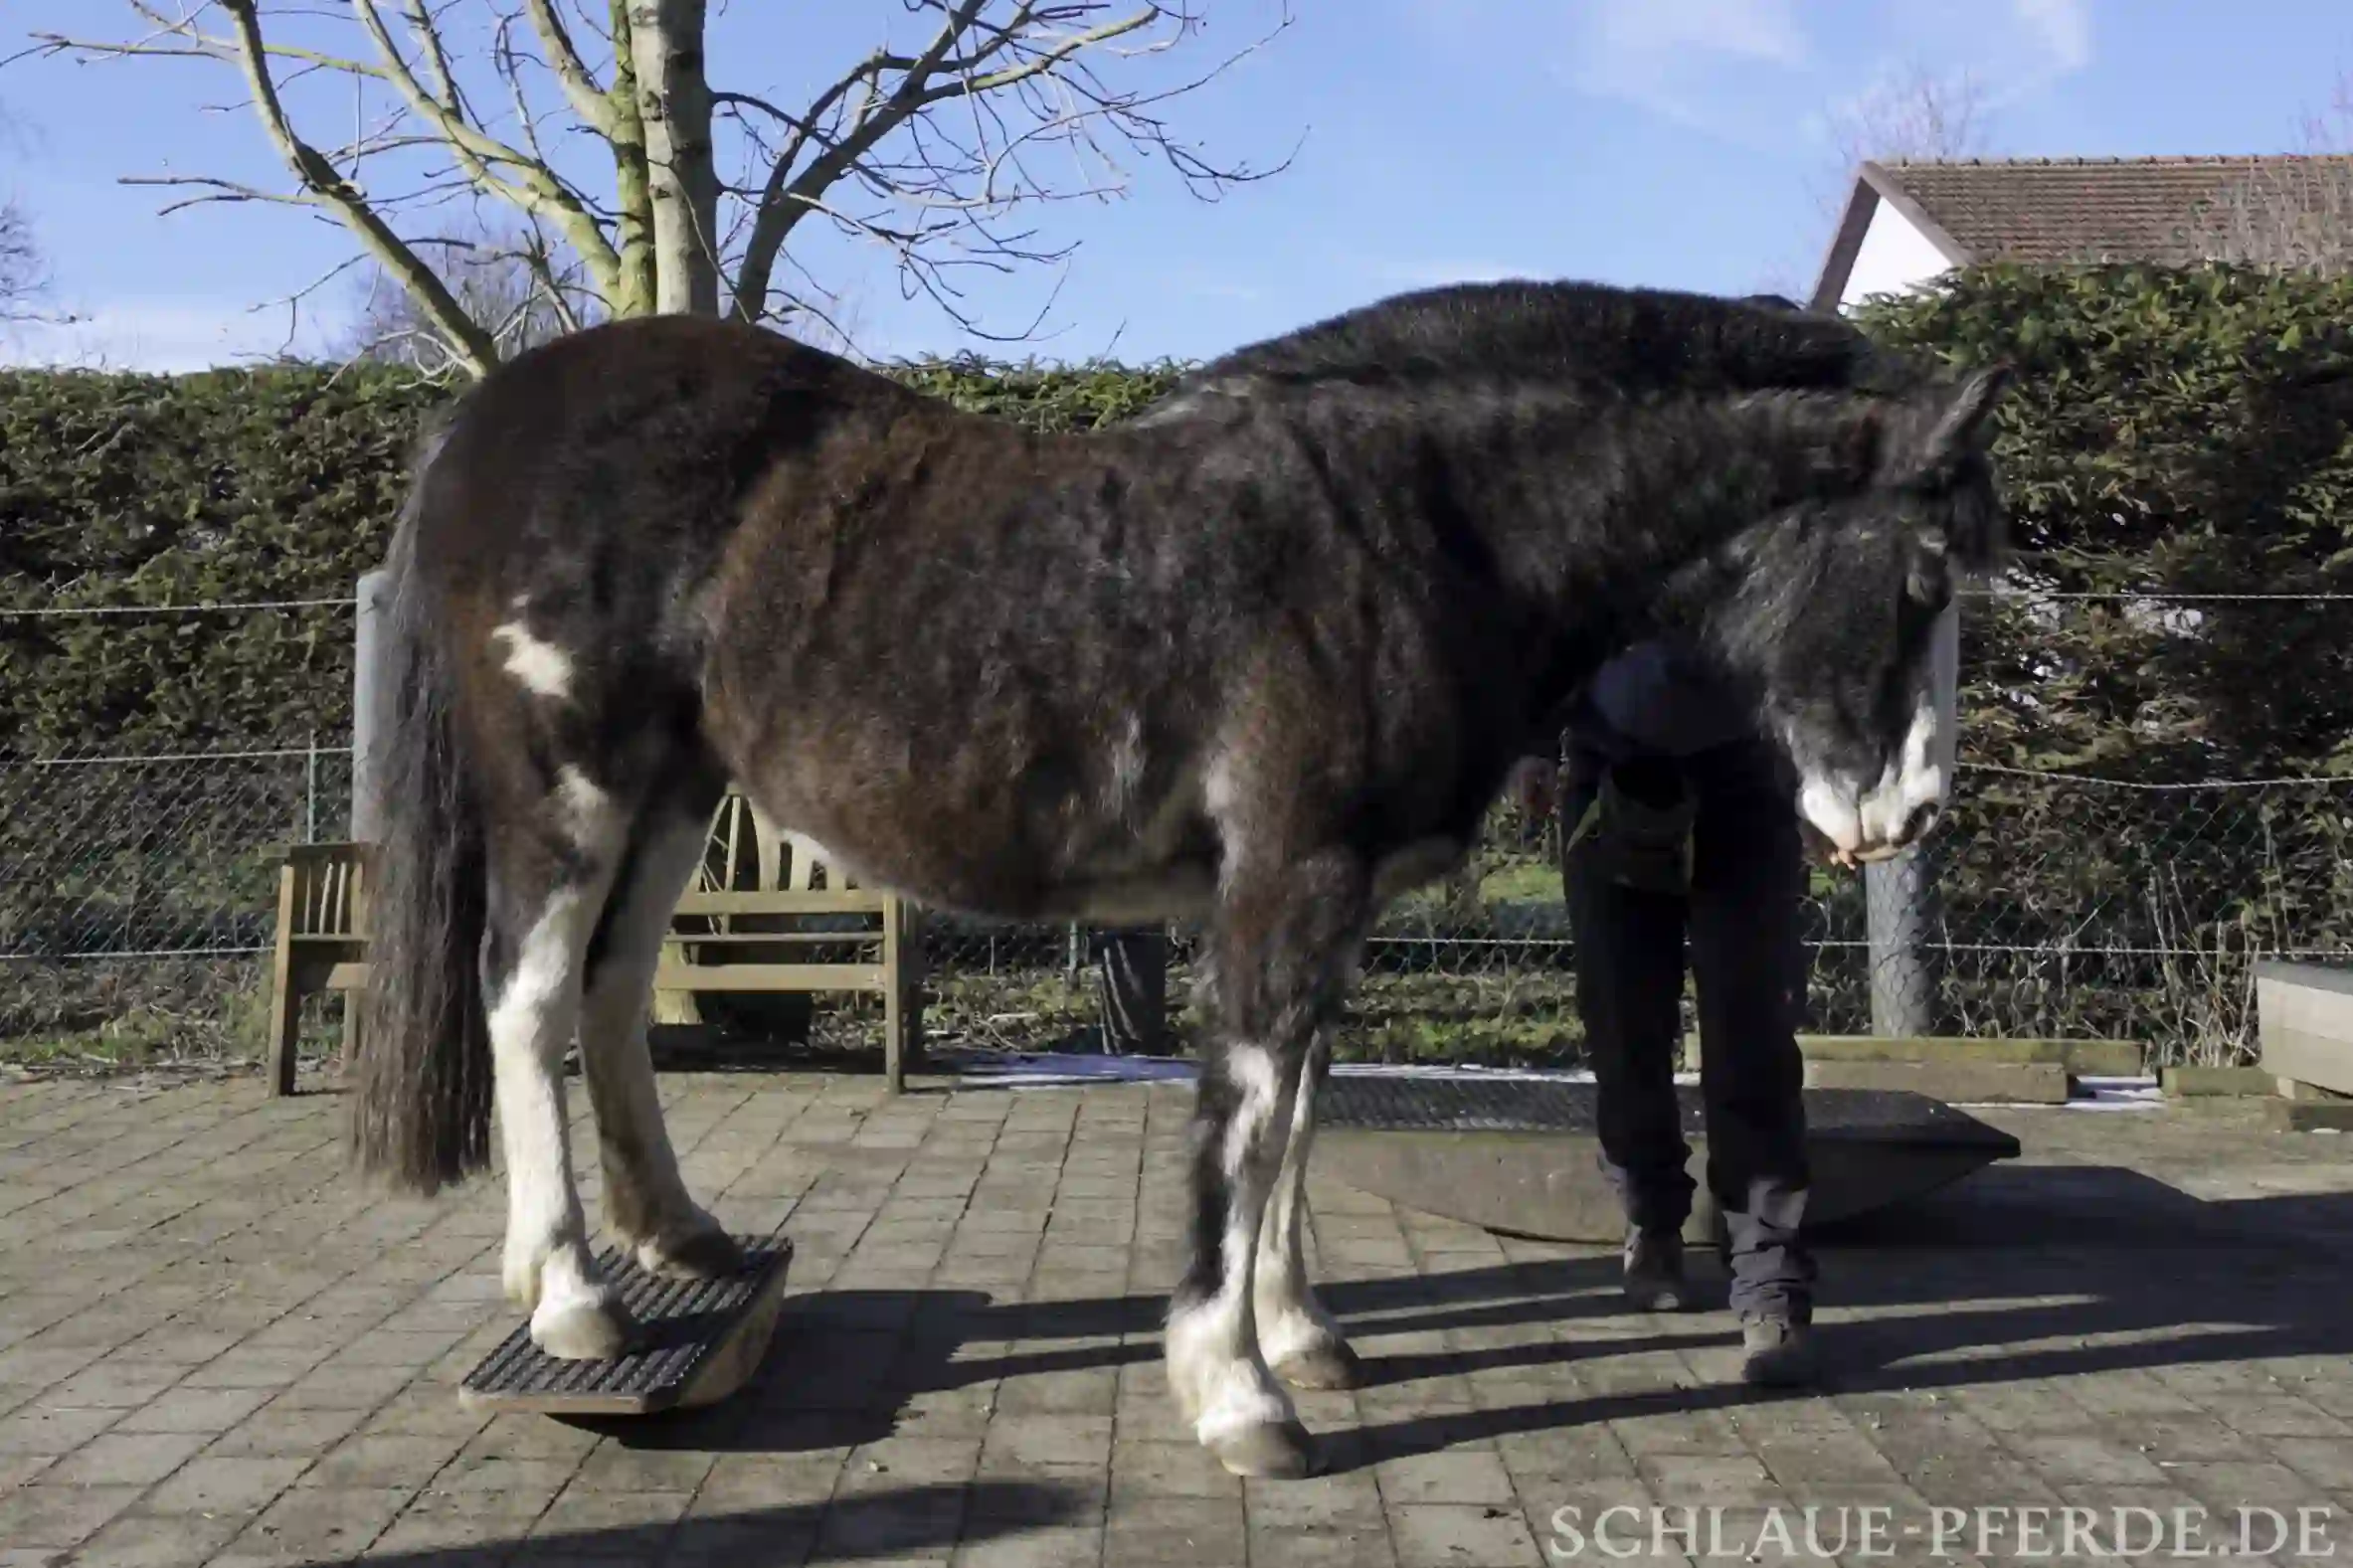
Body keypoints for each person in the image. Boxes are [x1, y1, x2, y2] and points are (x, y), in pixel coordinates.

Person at [1522, 636, 1820, 1386]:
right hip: (1610, 775)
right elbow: (1559, 610)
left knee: (1751, 1028)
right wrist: (1533, 744)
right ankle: (1652, 1218)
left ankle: (1771, 1282)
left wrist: (1831, 780)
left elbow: (1821, 629)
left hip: (1749, 778)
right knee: (1623, 1020)